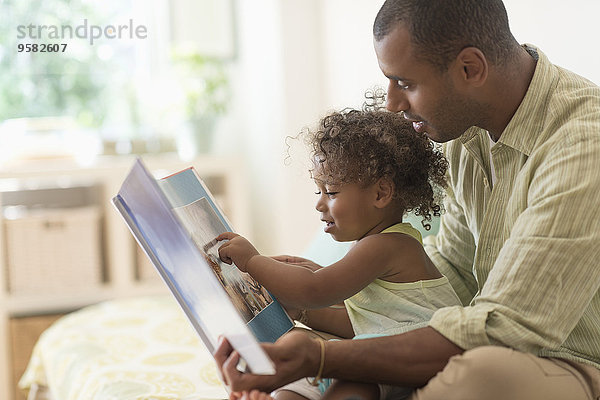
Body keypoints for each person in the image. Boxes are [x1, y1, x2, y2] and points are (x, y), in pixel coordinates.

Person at [214, 0, 600, 399]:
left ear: (470, 68)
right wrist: (358, 290)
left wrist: (323, 356)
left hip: (574, 363)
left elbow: (503, 330)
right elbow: (454, 274)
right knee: (309, 351)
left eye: (405, 83)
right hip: (487, 346)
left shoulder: (584, 146)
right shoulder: (465, 133)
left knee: (480, 374)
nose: (393, 104)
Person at [217, 108, 462, 400]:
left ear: (381, 193)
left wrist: (253, 261)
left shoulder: (387, 246)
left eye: (331, 192)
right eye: (319, 191)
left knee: (348, 382)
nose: (320, 204)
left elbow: (313, 290)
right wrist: (304, 307)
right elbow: (362, 319)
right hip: (382, 345)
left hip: (418, 353)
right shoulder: (377, 246)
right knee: (300, 363)